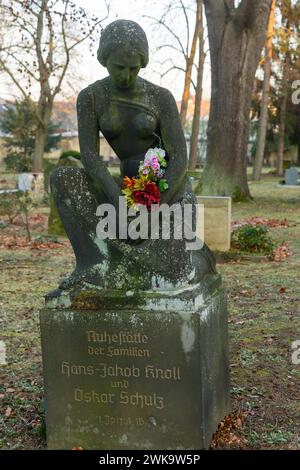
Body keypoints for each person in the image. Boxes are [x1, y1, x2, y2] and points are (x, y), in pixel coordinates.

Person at [48, 20, 216, 299]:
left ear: (142, 63)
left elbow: (179, 158)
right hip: (120, 189)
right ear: (104, 59)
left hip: (162, 187)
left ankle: (164, 262)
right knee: (63, 178)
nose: (126, 75)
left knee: (173, 269)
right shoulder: (91, 97)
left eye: (133, 68)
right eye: (119, 67)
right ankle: (95, 263)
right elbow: (90, 156)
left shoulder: (159, 97)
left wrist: (155, 204)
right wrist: (118, 201)